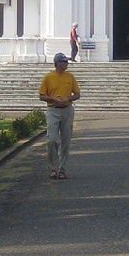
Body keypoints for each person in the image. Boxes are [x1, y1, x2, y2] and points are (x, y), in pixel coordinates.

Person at [39, 52, 80, 180]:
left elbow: (77, 94)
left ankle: (62, 169)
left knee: (66, 141)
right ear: (57, 63)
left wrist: (68, 98)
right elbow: (41, 95)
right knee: (52, 140)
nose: (66, 64)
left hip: (67, 109)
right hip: (53, 110)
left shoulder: (70, 77)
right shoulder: (48, 77)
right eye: (63, 62)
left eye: (66, 62)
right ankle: (53, 167)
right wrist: (53, 100)